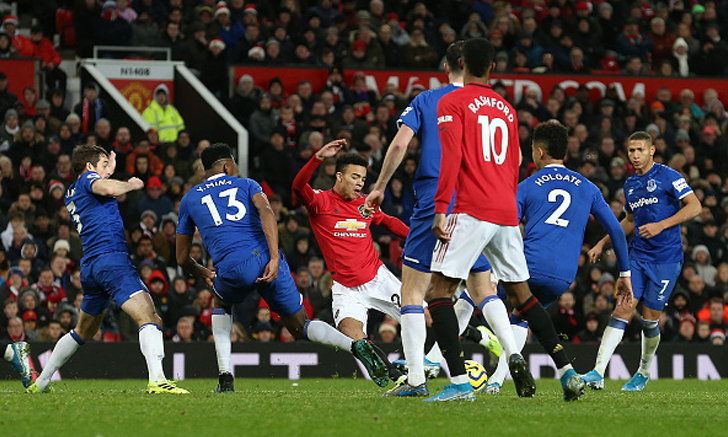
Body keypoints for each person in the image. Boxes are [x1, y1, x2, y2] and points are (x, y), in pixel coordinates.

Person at [425, 38, 584, 402]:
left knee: (439, 293)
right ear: (493, 68)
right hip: (505, 211)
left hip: (472, 208)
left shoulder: (452, 102)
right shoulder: (507, 110)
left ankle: (459, 383)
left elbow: (450, 159)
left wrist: (440, 208)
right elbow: (514, 162)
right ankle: (567, 373)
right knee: (522, 296)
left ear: (461, 64)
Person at [366, 41, 519, 398]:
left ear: (448, 65)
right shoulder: (494, 105)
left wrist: (380, 186)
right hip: (477, 204)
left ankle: (417, 379)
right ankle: (512, 354)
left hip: (435, 199)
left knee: (413, 290)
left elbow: (400, 144)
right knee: (482, 287)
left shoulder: (428, 100)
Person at [175, 143, 389, 393]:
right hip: (266, 258)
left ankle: (225, 377)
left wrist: (203, 272)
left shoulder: (190, 199)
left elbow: (181, 258)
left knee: (221, 303)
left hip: (232, 267)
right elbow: (267, 212)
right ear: (227, 166)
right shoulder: (247, 184)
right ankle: (354, 346)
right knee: (301, 325)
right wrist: (274, 257)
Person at [485, 120, 632, 394]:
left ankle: (441, 358)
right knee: (522, 315)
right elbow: (616, 231)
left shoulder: (527, 185)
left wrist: (493, 268)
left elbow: (505, 227)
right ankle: (496, 380)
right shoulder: (588, 187)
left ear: (539, 152)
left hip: (528, 267)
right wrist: (624, 274)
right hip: (563, 276)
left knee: (478, 295)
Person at [27, 145, 188, 395]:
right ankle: (158, 380)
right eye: (103, 164)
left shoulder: (72, 191)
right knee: (149, 317)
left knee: (83, 330)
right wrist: (130, 184)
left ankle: (42, 382)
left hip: (91, 266)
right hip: (111, 259)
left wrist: (107, 171)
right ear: (89, 166)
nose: (106, 169)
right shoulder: (88, 180)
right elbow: (107, 188)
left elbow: (101, 186)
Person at [583, 131, 701, 391]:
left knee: (649, 318)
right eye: (631, 150)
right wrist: (603, 243)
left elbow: (695, 206)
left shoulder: (669, 176)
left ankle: (643, 372)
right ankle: (597, 372)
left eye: (640, 150)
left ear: (652, 151)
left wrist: (661, 225)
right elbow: (630, 220)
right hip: (638, 256)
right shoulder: (630, 185)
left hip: (666, 260)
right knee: (622, 309)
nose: (635, 155)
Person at [292, 140, 409, 385]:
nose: (359, 183)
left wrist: (416, 238)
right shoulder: (320, 202)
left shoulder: (365, 203)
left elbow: (389, 222)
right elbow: (297, 186)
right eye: (354, 177)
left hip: (378, 279)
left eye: (363, 179)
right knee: (353, 337)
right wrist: (318, 157)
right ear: (339, 177)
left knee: (425, 316)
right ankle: (395, 375)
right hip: (346, 288)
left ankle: (466, 342)